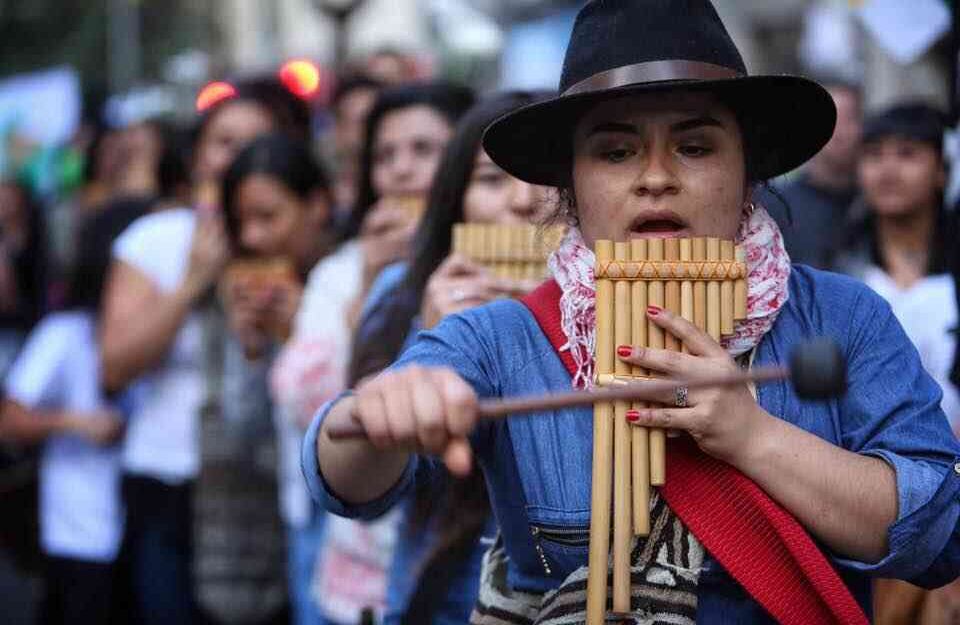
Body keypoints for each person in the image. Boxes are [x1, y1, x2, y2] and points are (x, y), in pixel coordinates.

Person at [306, 2, 960, 624]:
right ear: (570, 187)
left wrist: (753, 436)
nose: (655, 177)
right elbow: (343, 477)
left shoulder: (845, 317)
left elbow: (942, 533)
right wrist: (376, 413)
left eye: (695, 146)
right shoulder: (500, 335)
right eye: (615, 152)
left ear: (749, 169)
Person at [100, 77, 308, 625]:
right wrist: (195, 282)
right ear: (197, 158)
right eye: (223, 142)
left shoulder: (291, 241)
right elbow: (114, 368)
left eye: (255, 142)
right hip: (170, 482)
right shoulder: (155, 239)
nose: (237, 157)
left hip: (265, 489)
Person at [271, 81, 473, 625]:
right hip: (361, 555)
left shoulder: (502, 270)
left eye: (423, 150)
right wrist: (369, 286)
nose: (401, 170)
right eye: (384, 155)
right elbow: (308, 406)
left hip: (460, 569)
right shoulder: (340, 272)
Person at [348, 91, 552, 625]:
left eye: (544, 173)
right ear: (454, 197)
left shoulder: (615, 299)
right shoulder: (400, 290)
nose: (522, 199)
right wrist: (432, 341)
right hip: (439, 585)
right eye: (491, 178)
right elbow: (370, 481)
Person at [0, 205, 143, 625]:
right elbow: (9, 418)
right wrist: (78, 422)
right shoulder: (64, 334)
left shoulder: (155, 338)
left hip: (135, 531)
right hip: (76, 532)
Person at [220, 133, 336, 625]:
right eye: (241, 221)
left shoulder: (353, 279)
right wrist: (251, 352)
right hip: (298, 511)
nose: (252, 238)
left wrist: (299, 341)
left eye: (268, 216)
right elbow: (243, 434)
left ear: (316, 205)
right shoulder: (253, 295)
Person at [836, 103, 958, 430]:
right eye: (874, 155)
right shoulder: (839, 268)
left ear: (941, 172)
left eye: (907, 154)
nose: (888, 170)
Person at [759, 77, 862, 269]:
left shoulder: (873, 205)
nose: (839, 133)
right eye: (831, 120)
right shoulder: (775, 204)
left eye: (849, 119)